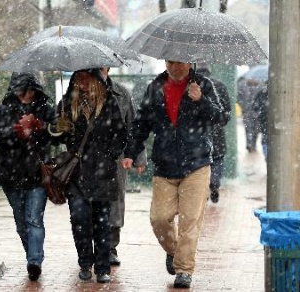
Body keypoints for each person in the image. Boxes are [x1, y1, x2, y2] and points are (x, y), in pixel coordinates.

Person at [121, 60, 223, 288]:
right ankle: (174, 251)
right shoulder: (155, 87)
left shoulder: (203, 84)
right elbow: (141, 123)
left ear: (189, 62)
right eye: (170, 63)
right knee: (159, 218)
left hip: (197, 163)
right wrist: (131, 151)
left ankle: (184, 270)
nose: (175, 67)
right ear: (165, 62)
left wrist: (201, 100)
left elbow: (220, 117)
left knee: (190, 220)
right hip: (165, 163)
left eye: (180, 63)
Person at [52, 69, 127, 283]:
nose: (82, 82)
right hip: (77, 173)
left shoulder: (109, 102)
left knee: (102, 222)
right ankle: (85, 263)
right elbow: (55, 138)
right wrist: (58, 128)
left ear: (95, 79)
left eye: (87, 77)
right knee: (79, 218)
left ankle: (102, 267)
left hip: (102, 173)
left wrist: (107, 154)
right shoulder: (67, 104)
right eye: (79, 77)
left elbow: (120, 134)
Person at [0, 72, 56, 281]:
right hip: (11, 175)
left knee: (34, 219)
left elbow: (58, 134)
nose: (27, 96)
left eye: (31, 91)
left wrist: (39, 129)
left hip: (37, 174)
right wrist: (15, 132)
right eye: (23, 91)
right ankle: (32, 255)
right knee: (21, 222)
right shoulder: (5, 108)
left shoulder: (44, 109)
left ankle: (34, 262)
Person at [99, 68, 147, 266]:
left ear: (108, 68)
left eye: (102, 66)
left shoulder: (121, 93)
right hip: (88, 158)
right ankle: (90, 247)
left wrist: (138, 156)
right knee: (89, 202)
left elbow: (133, 126)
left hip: (116, 157)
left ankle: (110, 246)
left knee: (115, 201)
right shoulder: (78, 92)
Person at [196, 65, 232, 203]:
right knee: (217, 158)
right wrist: (220, 122)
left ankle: (204, 187)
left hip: (198, 132)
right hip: (216, 130)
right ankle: (214, 184)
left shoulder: (192, 85)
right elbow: (226, 110)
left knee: (201, 162)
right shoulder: (220, 85)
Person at [253, 80, 269, 160]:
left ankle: (266, 155)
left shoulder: (261, 93)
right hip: (264, 120)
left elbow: (255, 106)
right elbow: (255, 106)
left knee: (265, 139)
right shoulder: (261, 93)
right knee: (265, 139)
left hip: (265, 120)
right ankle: (266, 155)